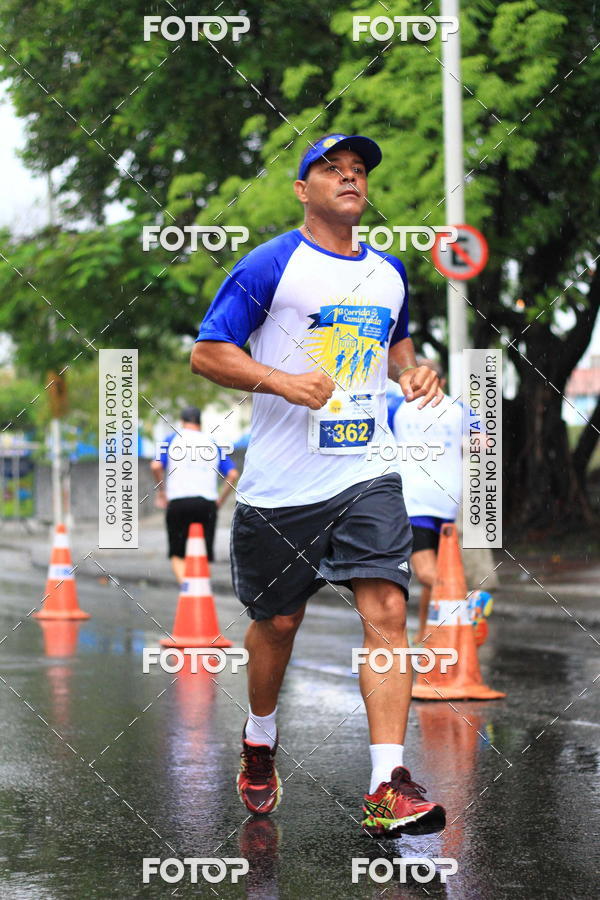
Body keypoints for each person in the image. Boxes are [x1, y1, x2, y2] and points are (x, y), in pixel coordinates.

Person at [191, 133, 445, 836]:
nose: (349, 177)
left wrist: (412, 372)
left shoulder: (391, 272)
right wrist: (279, 379)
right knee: (278, 624)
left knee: (388, 609)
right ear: (303, 189)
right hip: (281, 486)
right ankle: (261, 735)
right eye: (332, 169)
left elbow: (396, 347)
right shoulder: (272, 264)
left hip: (367, 470)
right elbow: (207, 354)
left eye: (359, 170)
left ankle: (386, 785)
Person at [392, 359, 463, 642]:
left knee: (428, 575)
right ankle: (425, 641)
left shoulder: (396, 406)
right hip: (447, 502)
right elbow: (484, 444)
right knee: (435, 575)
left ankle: (467, 601)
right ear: (442, 383)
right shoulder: (460, 410)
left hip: (413, 501)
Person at [150, 405, 239, 582]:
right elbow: (233, 474)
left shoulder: (171, 439)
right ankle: (201, 593)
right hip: (207, 504)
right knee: (202, 554)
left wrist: (162, 492)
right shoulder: (212, 442)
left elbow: (156, 465)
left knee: (178, 553)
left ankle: (187, 592)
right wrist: (220, 500)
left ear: (182, 422)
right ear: (200, 422)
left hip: (178, 502)